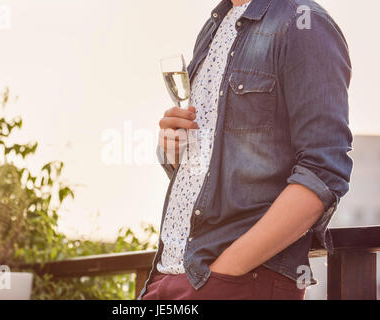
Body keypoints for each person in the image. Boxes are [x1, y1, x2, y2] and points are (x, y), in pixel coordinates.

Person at [139, 0, 353, 300]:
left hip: (239, 283)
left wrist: (228, 269)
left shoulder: (305, 23)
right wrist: (173, 150)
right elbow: (214, 171)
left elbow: (324, 171)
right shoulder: (215, 24)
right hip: (166, 276)